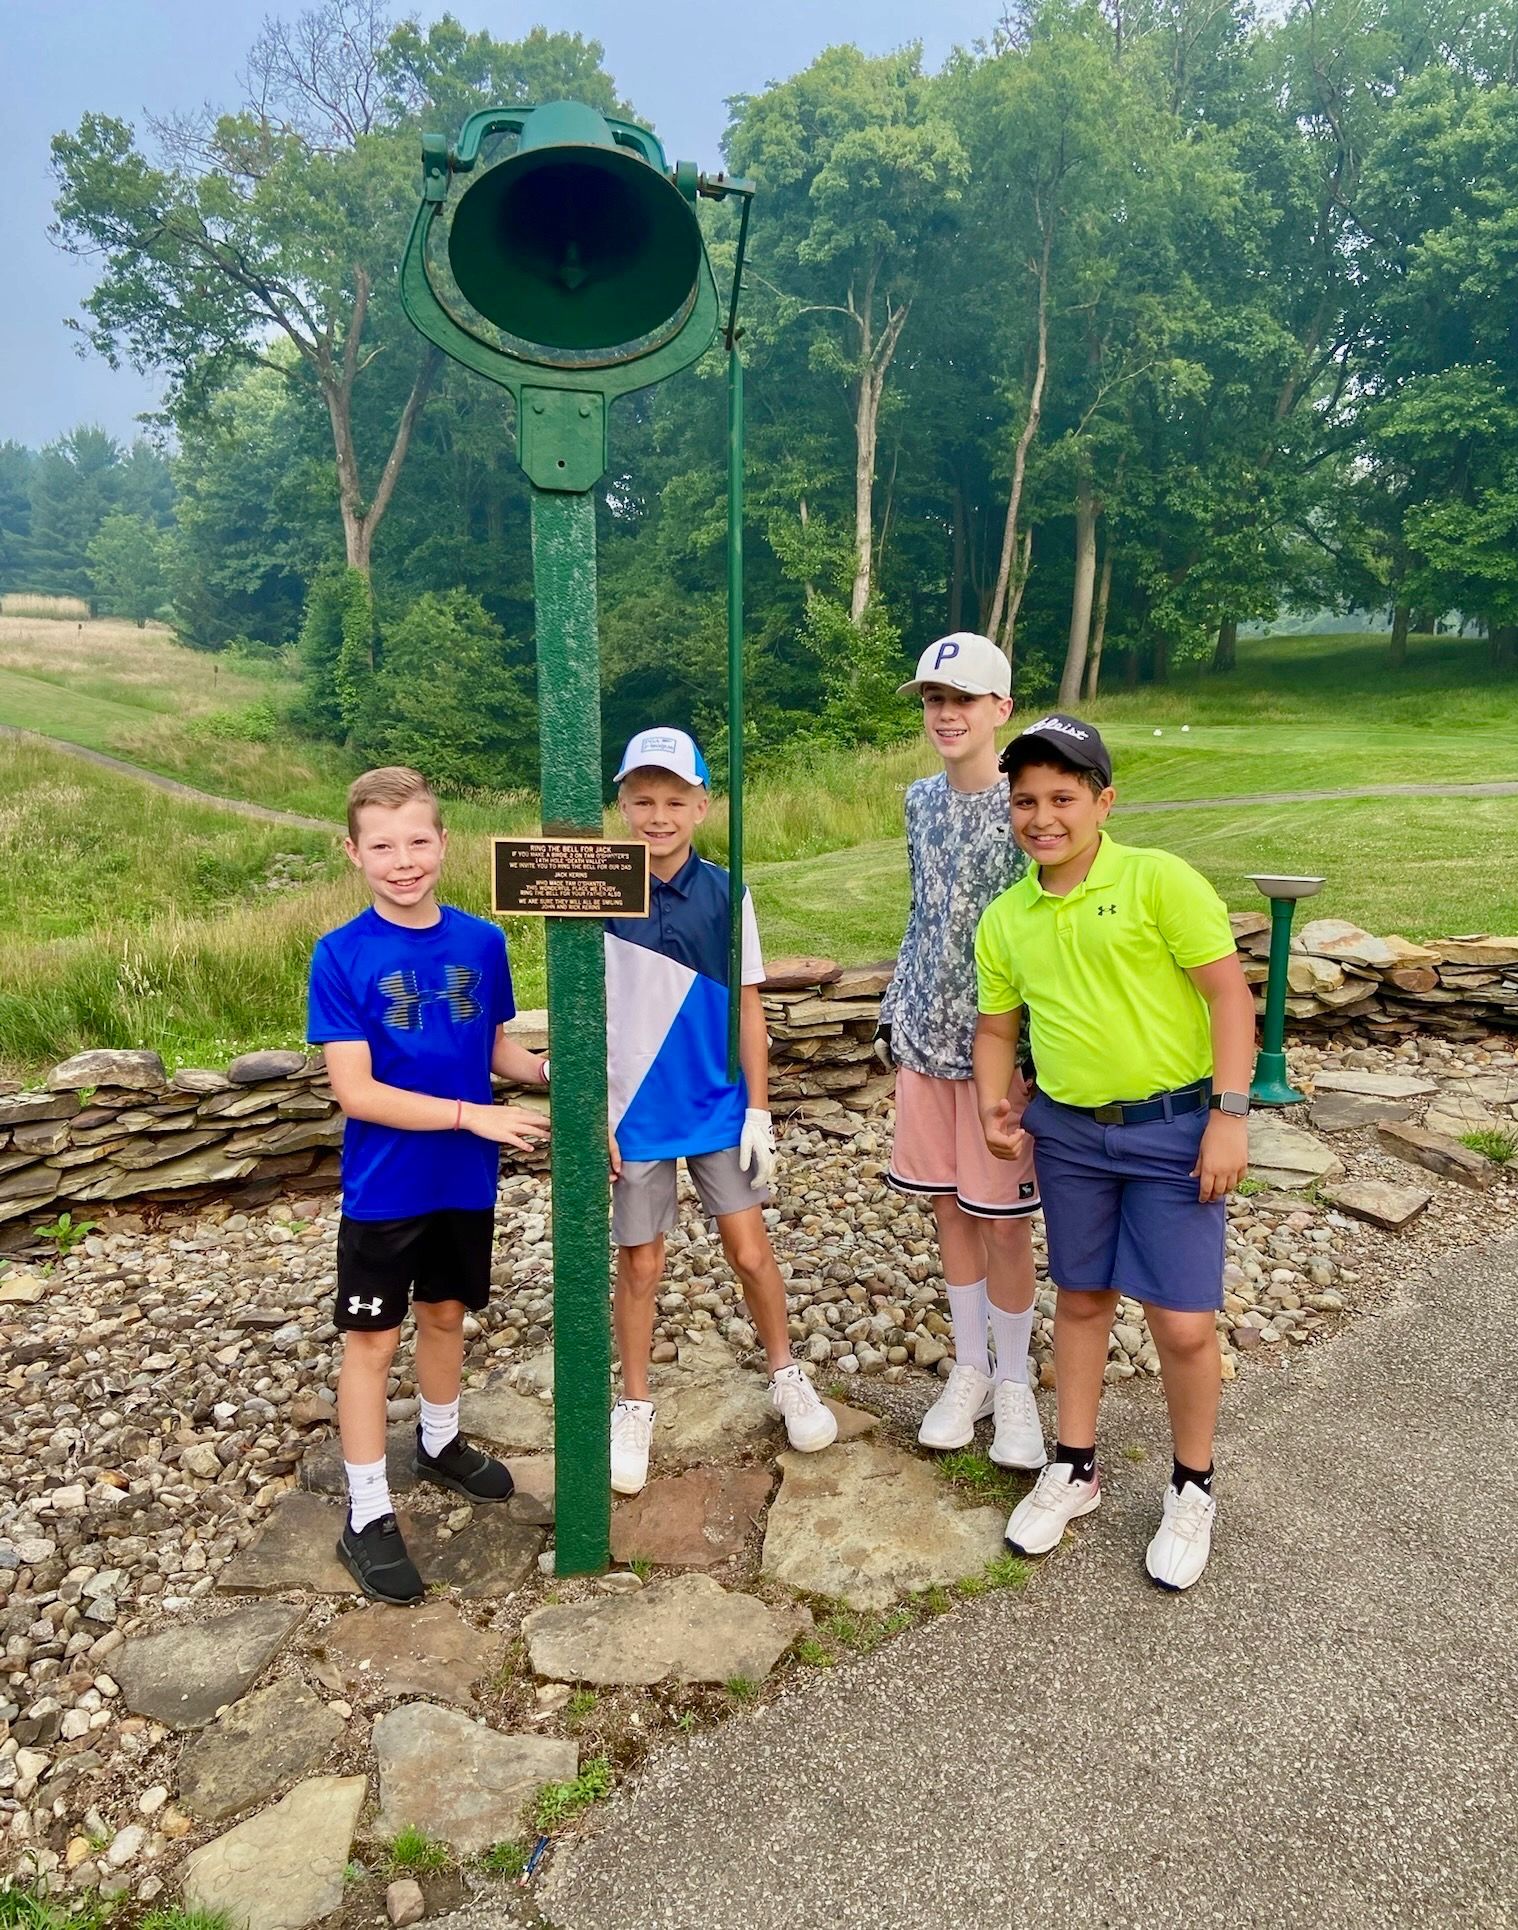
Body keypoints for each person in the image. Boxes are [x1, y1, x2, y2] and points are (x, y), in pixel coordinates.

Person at [972, 715, 1253, 1591]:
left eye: (1062, 796)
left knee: (1180, 1322)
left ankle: (1192, 1484)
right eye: (1025, 800)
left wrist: (1229, 1116)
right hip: (1067, 1134)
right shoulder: (1008, 915)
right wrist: (992, 1103)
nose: (1042, 816)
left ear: (1102, 800)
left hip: (1173, 1131)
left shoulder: (1157, 880)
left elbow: (1228, 998)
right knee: (1084, 1300)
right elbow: (996, 1027)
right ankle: (1076, 1467)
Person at [308, 766, 551, 1604]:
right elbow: (357, 1092)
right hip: (386, 1186)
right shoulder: (340, 955)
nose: (403, 860)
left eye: (418, 841)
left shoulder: (482, 943)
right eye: (383, 846)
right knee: (371, 1344)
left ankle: (440, 1443)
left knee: (446, 1313)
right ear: (354, 853)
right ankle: (367, 1512)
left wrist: (563, 1075)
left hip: (463, 1178)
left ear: (444, 843)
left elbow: (496, 1054)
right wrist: (472, 1117)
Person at [604, 726, 838, 1493]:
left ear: (702, 805)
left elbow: (748, 1009)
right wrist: (593, 1111)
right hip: (634, 1112)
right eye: (642, 799)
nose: (658, 814)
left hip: (715, 1105)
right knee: (641, 1261)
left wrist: (758, 1111)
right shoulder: (600, 890)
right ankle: (633, 1401)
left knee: (749, 1250)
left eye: (674, 799)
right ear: (623, 804)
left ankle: (785, 1372)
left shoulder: (726, 890)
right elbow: (584, 1011)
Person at [880, 633, 1045, 1467]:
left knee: (1004, 1221)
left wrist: (1032, 1057)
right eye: (933, 701)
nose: (945, 714)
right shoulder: (917, 801)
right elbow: (922, 917)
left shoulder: (1026, 810)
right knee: (947, 1206)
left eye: (963, 700)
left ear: (999, 711)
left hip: (1001, 1054)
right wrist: (891, 1011)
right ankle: (970, 1368)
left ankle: (1015, 1382)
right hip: (922, 1040)